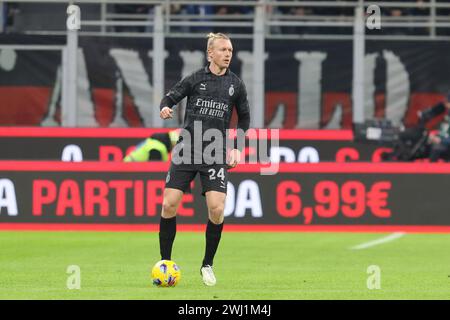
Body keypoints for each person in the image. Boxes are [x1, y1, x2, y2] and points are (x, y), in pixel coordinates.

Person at [158, 32, 250, 286]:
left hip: (215, 152)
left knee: (217, 209)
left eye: (230, 50)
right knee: (169, 205)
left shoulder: (236, 84)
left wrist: (237, 148)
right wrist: (165, 107)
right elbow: (170, 97)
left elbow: (244, 119)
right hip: (187, 149)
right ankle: (165, 263)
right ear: (210, 53)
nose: (228, 54)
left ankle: (207, 264)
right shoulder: (195, 79)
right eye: (223, 50)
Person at [428, 93, 450, 162]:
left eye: (447, 103)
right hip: (444, 141)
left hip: (446, 144)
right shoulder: (447, 115)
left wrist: (440, 140)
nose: (445, 105)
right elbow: (443, 130)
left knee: (436, 149)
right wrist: (435, 135)